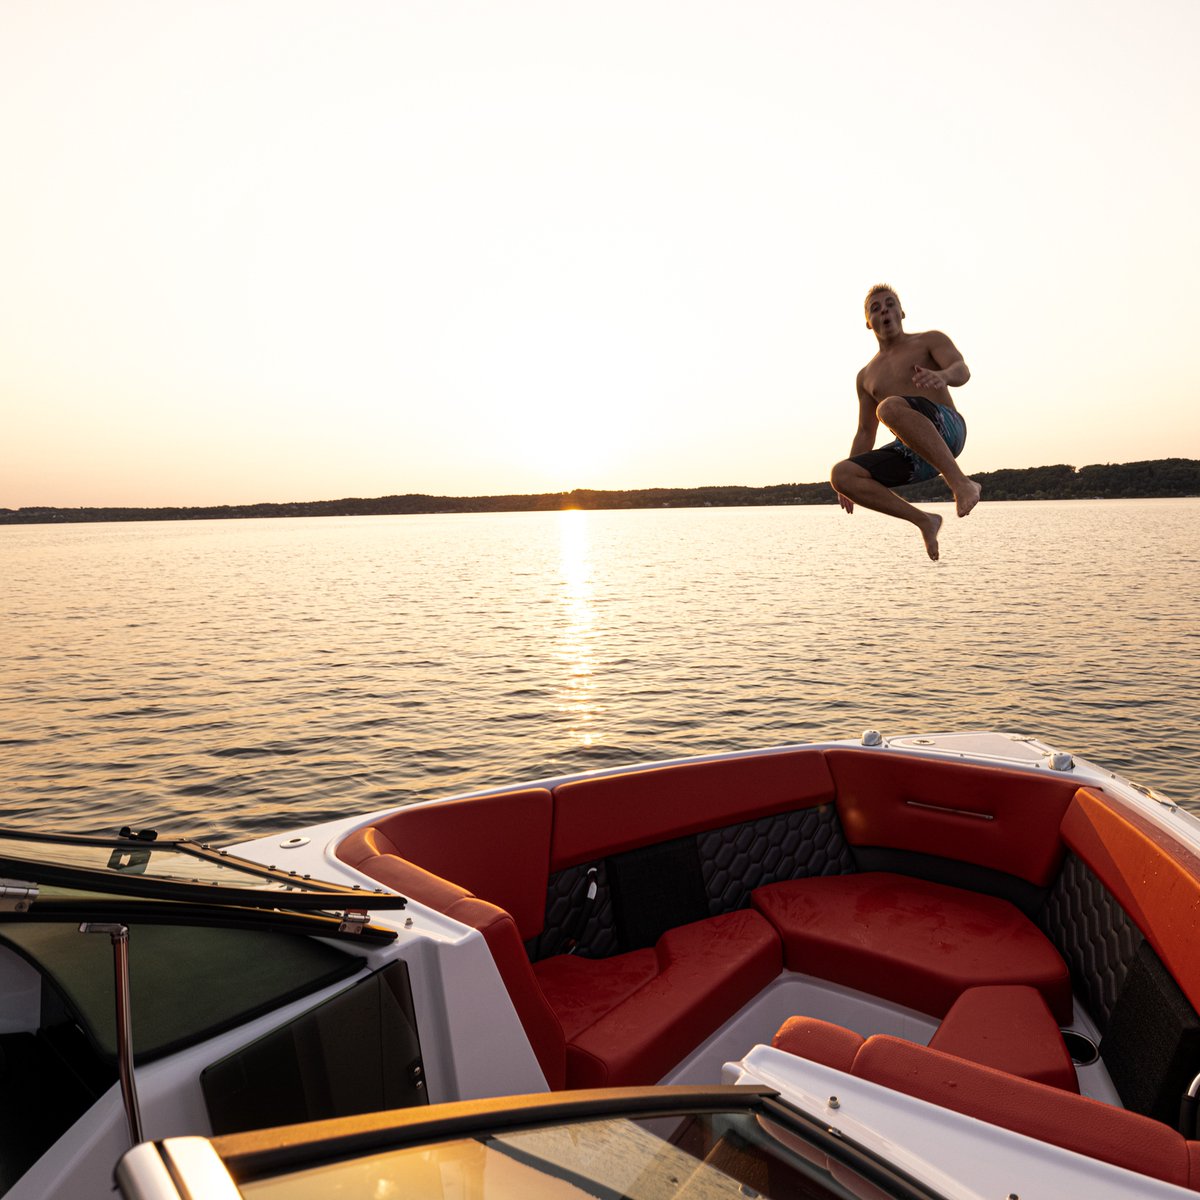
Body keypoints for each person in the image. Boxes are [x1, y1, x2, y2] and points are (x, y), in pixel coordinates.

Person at [830, 284, 981, 560]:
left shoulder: (928, 340)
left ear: (902, 312)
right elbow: (865, 432)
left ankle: (961, 483)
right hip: (915, 453)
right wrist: (847, 484)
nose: (884, 310)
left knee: (889, 408)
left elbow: (963, 370)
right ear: (868, 322)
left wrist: (944, 376)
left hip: (948, 430)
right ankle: (926, 521)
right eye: (875, 308)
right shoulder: (866, 376)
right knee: (840, 474)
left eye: (890, 304)